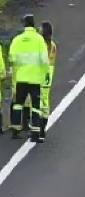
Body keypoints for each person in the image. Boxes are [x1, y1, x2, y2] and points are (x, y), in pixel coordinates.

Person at [9, 14, 49, 143]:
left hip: (21, 78)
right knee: (36, 106)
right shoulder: (39, 40)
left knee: (18, 105)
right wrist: (44, 75)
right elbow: (44, 60)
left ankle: (15, 130)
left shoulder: (17, 40)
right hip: (35, 78)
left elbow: (12, 58)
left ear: (24, 24)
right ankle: (35, 133)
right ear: (33, 24)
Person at [39, 21, 56, 141]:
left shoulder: (41, 44)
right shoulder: (53, 45)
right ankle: (42, 128)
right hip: (49, 73)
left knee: (37, 100)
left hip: (41, 72)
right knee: (45, 100)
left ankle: (38, 129)